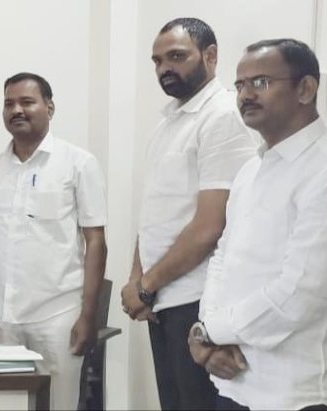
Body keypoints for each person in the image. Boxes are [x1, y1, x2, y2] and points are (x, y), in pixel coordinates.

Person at [189, 39, 327, 411]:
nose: (245, 95)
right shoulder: (251, 170)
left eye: (261, 82)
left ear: (305, 89)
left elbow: (302, 294)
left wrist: (211, 331)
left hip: (298, 393)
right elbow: (223, 259)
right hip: (234, 381)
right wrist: (208, 331)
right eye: (240, 85)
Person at [119, 18, 257, 410]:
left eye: (177, 56)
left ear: (210, 56)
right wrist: (137, 280)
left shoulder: (223, 115)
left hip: (199, 300)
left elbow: (211, 225)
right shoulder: (168, 124)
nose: (165, 68)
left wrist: (146, 285)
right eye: (157, 61)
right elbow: (155, 213)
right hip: (162, 299)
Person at [0, 72, 107, 410]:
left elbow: (96, 241)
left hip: (57, 316)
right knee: (3, 403)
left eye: (27, 102)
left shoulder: (78, 164)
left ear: (49, 108)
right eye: (9, 103)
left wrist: (89, 315)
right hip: (0, 315)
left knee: (58, 403)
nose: (17, 110)